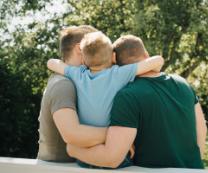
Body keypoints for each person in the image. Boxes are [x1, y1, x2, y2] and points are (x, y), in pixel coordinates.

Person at [67, 35, 207, 169]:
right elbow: (202, 130)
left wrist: (73, 150)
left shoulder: (128, 96)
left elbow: (111, 158)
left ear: (114, 60)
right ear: (146, 54)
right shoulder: (183, 84)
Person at [46, 31, 164, 168]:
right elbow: (158, 60)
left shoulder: (78, 74)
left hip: (86, 151)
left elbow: (51, 62)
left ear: (84, 60)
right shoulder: (119, 74)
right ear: (113, 57)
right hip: (112, 146)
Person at [37, 25, 108, 162]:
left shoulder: (72, 80)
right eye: (99, 49)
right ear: (80, 49)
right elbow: (72, 134)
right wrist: (120, 135)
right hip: (57, 169)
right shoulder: (63, 84)